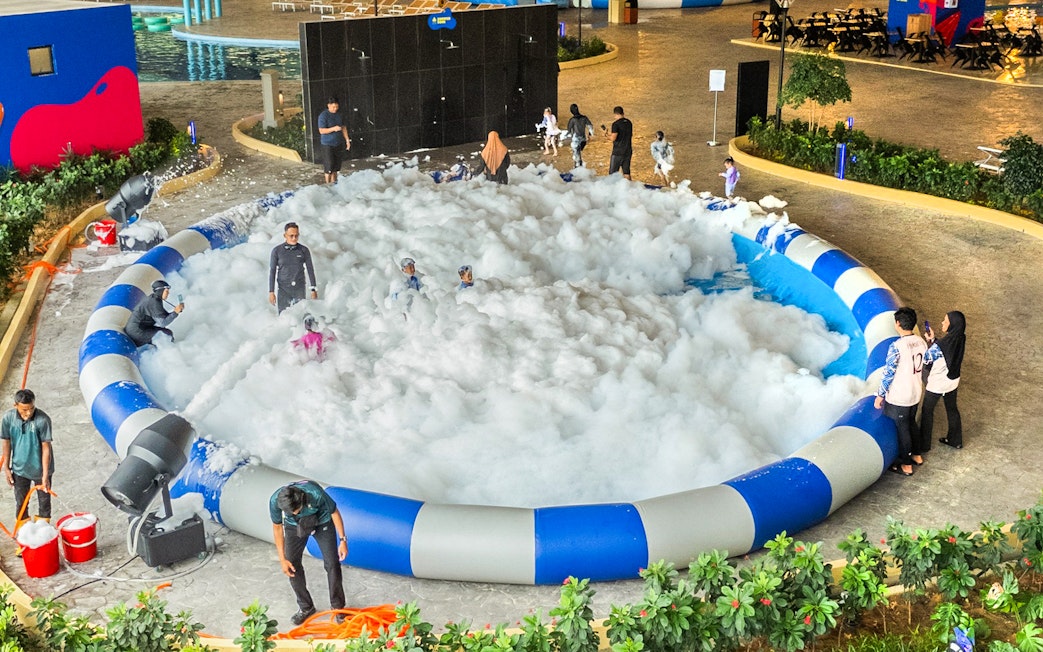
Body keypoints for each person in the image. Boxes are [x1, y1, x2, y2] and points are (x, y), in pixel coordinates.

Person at [270, 481, 348, 626]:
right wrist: (282, 559)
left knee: (332, 563)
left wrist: (343, 540)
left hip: (321, 521)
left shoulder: (316, 494)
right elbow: (277, 528)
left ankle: (338, 608)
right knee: (291, 565)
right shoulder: (275, 501)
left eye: (296, 510)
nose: (294, 512)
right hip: (294, 526)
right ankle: (306, 607)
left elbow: (334, 512)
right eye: (290, 512)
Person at [874, 307, 928, 476]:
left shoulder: (897, 346)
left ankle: (906, 464)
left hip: (901, 396)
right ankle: (917, 455)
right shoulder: (921, 341)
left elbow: (888, 373)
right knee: (912, 422)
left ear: (897, 324)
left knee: (902, 429)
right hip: (916, 391)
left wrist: (880, 395)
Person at [0, 389, 53, 524]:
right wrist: (6, 468)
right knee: (21, 503)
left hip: (40, 470)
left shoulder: (43, 420)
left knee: (44, 504)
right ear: (15, 405)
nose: (28, 413)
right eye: (24, 409)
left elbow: (46, 448)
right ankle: (24, 534)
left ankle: (44, 535)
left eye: (31, 408)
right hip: (19, 469)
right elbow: (6, 442)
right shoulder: (8, 419)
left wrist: (45, 475)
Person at [920, 311, 966, 450]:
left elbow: (927, 359)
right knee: (952, 409)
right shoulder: (960, 337)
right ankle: (955, 439)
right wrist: (934, 341)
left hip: (938, 383)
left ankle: (924, 444)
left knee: (927, 411)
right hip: (953, 380)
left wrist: (931, 343)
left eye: (945, 321)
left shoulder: (942, 345)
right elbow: (947, 351)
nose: (942, 323)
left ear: (952, 325)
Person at [269, 222, 318, 314]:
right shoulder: (277, 251)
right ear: (285, 235)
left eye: (296, 235)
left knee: (301, 314)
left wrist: (313, 289)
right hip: (283, 289)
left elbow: (310, 270)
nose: (294, 238)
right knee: (284, 316)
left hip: (299, 288)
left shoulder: (303, 250)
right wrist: (271, 292)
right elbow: (272, 271)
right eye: (291, 236)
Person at [125, 279, 184, 347]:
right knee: (166, 335)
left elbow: (163, 316)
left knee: (166, 333)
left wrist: (175, 311)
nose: (168, 293)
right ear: (161, 291)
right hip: (137, 332)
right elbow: (163, 323)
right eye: (166, 291)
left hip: (139, 328)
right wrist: (175, 312)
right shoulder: (154, 303)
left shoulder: (154, 298)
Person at [317, 97, 350, 184]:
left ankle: (334, 182)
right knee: (329, 166)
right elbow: (321, 130)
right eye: (333, 107)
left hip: (338, 143)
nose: (335, 109)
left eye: (336, 107)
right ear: (328, 106)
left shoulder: (339, 115)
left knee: (336, 166)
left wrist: (347, 140)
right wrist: (333, 129)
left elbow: (343, 127)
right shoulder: (323, 116)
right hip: (327, 144)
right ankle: (327, 183)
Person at [604, 106, 634, 180]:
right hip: (628, 150)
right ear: (623, 113)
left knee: (613, 174)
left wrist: (606, 135)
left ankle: (613, 189)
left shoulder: (615, 124)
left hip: (618, 151)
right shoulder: (629, 122)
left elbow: (613, 138)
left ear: (615, 114)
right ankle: (629, 188)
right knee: (626, 172)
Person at [565, 104, 595, 168]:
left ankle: (577, 169)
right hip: (583, 139)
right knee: (578, 155)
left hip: (576, 139)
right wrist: (589, 135)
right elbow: (590, 127)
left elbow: (569, 130)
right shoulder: (584, 118)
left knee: (576, 156)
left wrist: (564, 136)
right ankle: (580, 167)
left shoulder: (572, 120)